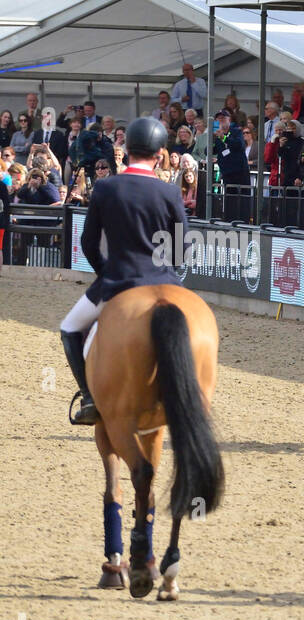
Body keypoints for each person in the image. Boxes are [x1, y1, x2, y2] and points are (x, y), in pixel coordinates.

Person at [59, 117, 185, 425]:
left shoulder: (105, 187)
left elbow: (88, 244)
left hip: (118, 279)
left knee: (70, 329)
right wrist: (171, 277)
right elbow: (181, 249)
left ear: (126, 149)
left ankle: (89, 398)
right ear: (159, 154)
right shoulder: (169, 192)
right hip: (163, 280)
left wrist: (105, 272)